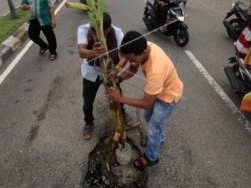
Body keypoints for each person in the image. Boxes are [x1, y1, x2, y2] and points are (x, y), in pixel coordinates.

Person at [106, 31, 183, 168]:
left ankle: (151, 157)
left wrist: (120, 98)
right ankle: (159, 138)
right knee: (148, 118)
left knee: (153, 128)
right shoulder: (142, 46)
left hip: (168, 97)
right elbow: (132, 65)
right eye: (129, 59)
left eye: (133, 59)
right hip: (157, 92)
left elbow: (147, 103)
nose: (131, 62)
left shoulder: (156, 70)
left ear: (143, 52)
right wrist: (118, 77)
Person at [77, 12, 137, 140]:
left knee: (116, 95)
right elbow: (81, 52)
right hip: (91, 71)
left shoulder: (118, 32)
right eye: (96, 33)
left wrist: (116, 69)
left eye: (104, 32)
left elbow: (125, 55)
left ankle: (123, 114)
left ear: (109, 28)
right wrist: (93, 52)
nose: (101, 36)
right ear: (92, 28)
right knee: (88, 101)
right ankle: (88, 122)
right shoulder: (83, 29)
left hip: (110, 71)